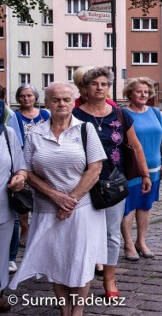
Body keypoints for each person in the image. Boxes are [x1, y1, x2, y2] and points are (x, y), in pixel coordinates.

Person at [8, 82, 107, 316]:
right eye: (56, 100)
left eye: (66, 99)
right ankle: (65, 311)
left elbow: (95, 169)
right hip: (46, 208)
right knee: (57, 261)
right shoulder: (35, 133)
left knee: (80, 262)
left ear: (74, 102)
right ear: (47, 103)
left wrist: (70, 200)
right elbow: (27, 171)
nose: (61, 104)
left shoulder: (85, 130)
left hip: (82, 209)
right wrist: (55, 196)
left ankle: (77, 312)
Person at [72, 68, 150, 297]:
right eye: (94, 83)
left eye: (104, 84)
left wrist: (145, 174)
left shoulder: (120, 115)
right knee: (82, 234)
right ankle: (81, 278)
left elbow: (135, 145)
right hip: (82, 182)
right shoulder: (75, 115)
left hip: (113, 183)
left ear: (109, 87)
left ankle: (110, 280)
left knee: (111, 234)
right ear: (85, 88)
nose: (99, 87)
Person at [121, 77, 162, 261]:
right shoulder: (123, 114)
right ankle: (127, 244)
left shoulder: (155, 112)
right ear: (130, 93)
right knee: (129, 207)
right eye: (138, 91)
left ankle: (141, 242)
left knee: (145, 205)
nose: (143, 94)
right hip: (132, 169)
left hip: (154, 168)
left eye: (146, 91)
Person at [10, 84, 51, 264]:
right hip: (24, 162)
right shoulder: (15, 116)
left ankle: (41, 233)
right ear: (18, 98)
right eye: (23, 96)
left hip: (44, 162)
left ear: (35, 97)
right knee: (24, 198)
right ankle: (25, 229)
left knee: (42, 199)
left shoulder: (45, 114)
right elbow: (16, 141)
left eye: (29, 96)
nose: (26, 99)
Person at [0, 124, 28, 313]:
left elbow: (21, 168)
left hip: (2, 207)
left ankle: (0, 291)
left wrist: (20, 178)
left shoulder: (7, 133)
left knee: (1, 254)